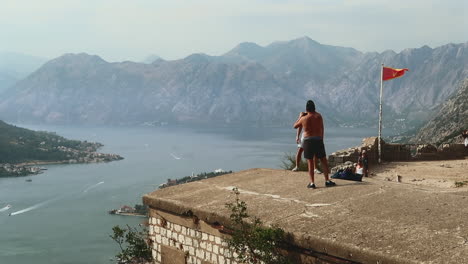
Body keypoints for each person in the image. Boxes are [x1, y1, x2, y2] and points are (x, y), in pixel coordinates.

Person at [293, 100, 335, 189]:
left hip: (308, 141)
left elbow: (295, 126)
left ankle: (312, 183)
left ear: (306, 109)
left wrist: (300, 117)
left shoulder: (304, 118)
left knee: (310, 162)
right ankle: (327, 180)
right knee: (323, 161)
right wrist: (322, 139)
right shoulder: (319, 116)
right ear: (314, 107)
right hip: (318, 139)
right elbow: (322, 128)